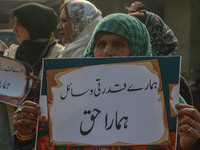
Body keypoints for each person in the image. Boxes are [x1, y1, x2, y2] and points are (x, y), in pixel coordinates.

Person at [13, 13, 200, 150]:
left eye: (118, 44)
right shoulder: (67, 100)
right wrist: (26, 135)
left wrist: (185, 145)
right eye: (100, 44)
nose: (106, 52)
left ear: (137, 49)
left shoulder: (165, 105)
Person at [1, 3, 64, 150]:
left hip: (44, 128)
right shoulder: (12, 53)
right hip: (13, 124)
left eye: (19, 24)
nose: (13, 29)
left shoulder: (58, 54)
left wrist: (42, 86)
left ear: (34, 25)